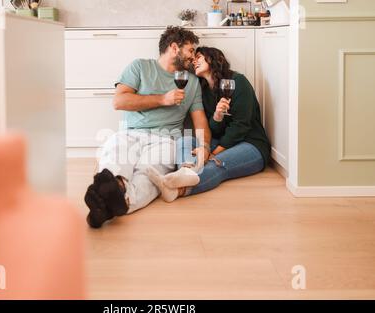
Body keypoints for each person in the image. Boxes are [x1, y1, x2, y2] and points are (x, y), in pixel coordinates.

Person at [84, 27, 211, 228]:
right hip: (131, 133)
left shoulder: (192, 81)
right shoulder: (140, 67)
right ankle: (114, 190)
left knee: (150, 175)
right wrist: (163, 99)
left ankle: (110, 204)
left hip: (167, 139)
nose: (193, 57)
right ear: (174, 47)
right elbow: (119, 102)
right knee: (115, 152)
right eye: (190, 50)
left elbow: (200, 119)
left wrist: (204, 145)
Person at [147, 46, 271, 201]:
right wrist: (217, 117)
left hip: (251, 144)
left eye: (198, 57)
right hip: (221, 141)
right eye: (193, 60)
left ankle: (178, 190)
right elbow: (213, 129)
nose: (194, 61)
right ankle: (185, 171)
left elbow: (241, 126)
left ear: (213, 58)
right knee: (185, 140)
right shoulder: (204, 90)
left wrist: (211, 153)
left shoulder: (238, 81)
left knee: (215, 164)